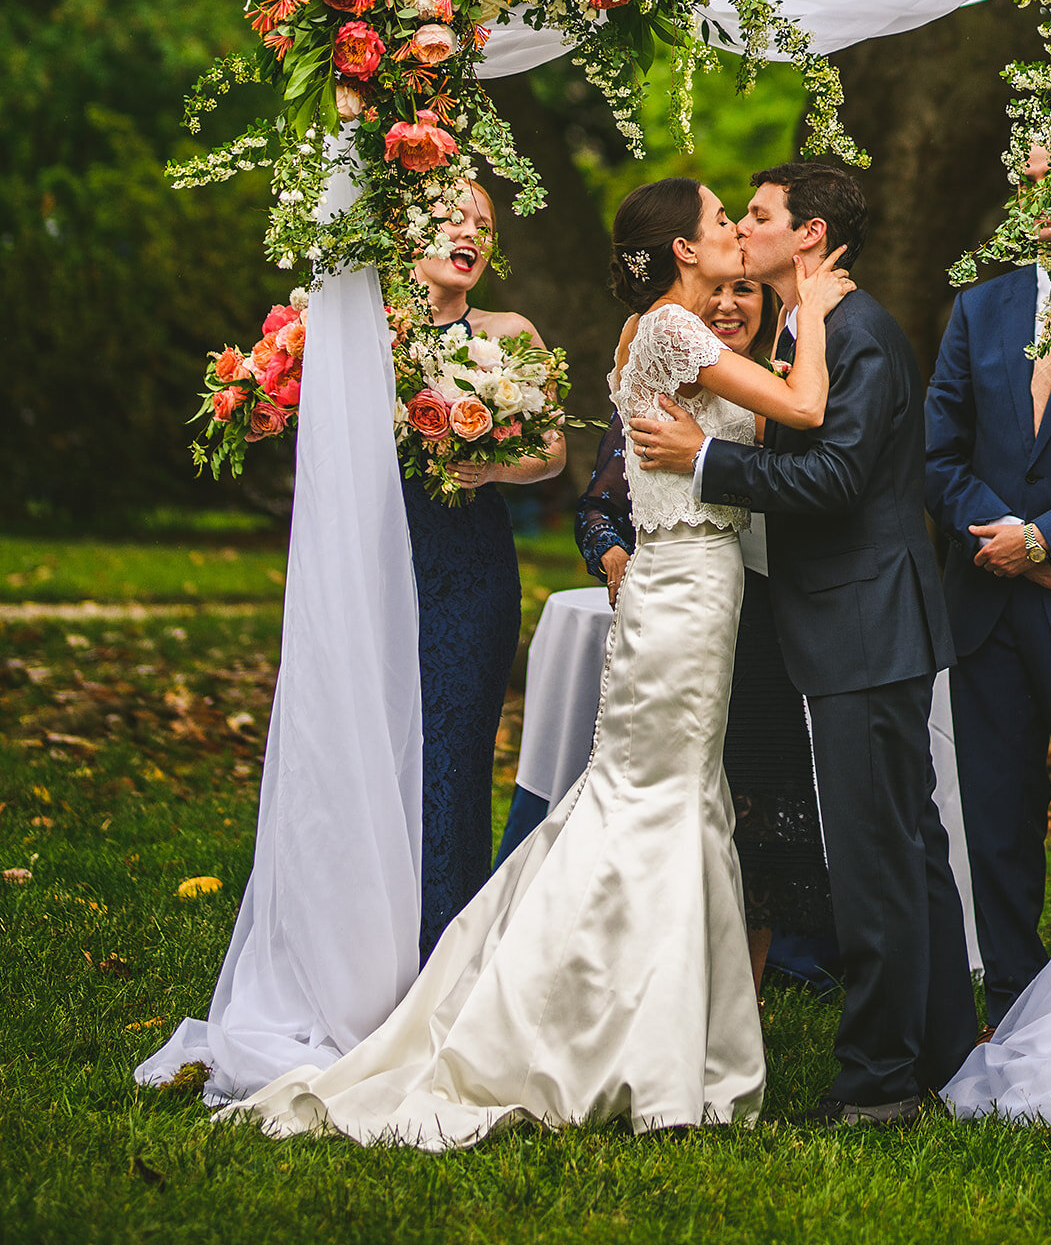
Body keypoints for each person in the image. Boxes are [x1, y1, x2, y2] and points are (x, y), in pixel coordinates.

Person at [223, 177, 855, 1144]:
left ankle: (659, 1026)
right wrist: (810, 307)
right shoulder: (673, 334)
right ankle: (576, 1021)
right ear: (684, 250)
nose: (734, 234)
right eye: (721, 222)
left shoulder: (670, 336)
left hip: (697, 589)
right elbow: (806, 409)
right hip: (680, 591)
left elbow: (754, 430)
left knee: (669, 800)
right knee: (648, 802)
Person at [629, 161, 978, 1128]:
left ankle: (877, 1084)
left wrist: (703, 461)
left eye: (761, 215)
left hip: (866, 622)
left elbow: (831, 480)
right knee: (905, 850)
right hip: (850, 618)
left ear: (811, 235)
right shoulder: (807, 327)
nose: (743, 228)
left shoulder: (857, 331)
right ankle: (943, 1052)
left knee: (878, 859)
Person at [504, 277, 833, 992]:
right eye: (715, 291)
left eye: (744, 290)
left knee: (760, 801)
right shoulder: (663, 370)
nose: (727, 305)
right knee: (682, 789)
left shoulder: (782, 373)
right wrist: (615, 555)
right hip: (691, 608)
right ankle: (637, 969)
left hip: (774, 606)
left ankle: (737, 986)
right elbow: (600, 504)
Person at [924, 238, 1051, 1026]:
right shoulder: (982, 307)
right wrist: (1008, 545)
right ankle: (1012, 996)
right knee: (996, 815)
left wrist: (1048, 541)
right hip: (987, 606)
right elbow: (938, 454)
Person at [406, 179, 567, 960]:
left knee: (457, 756)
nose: (474, 233)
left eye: (486, 225)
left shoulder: (509, 333)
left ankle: (444, 950)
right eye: (456, 218)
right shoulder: (366, 332)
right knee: (380, 750)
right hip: (384, 560)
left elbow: (555, 452)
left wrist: (492, 467)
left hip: (471, 570)